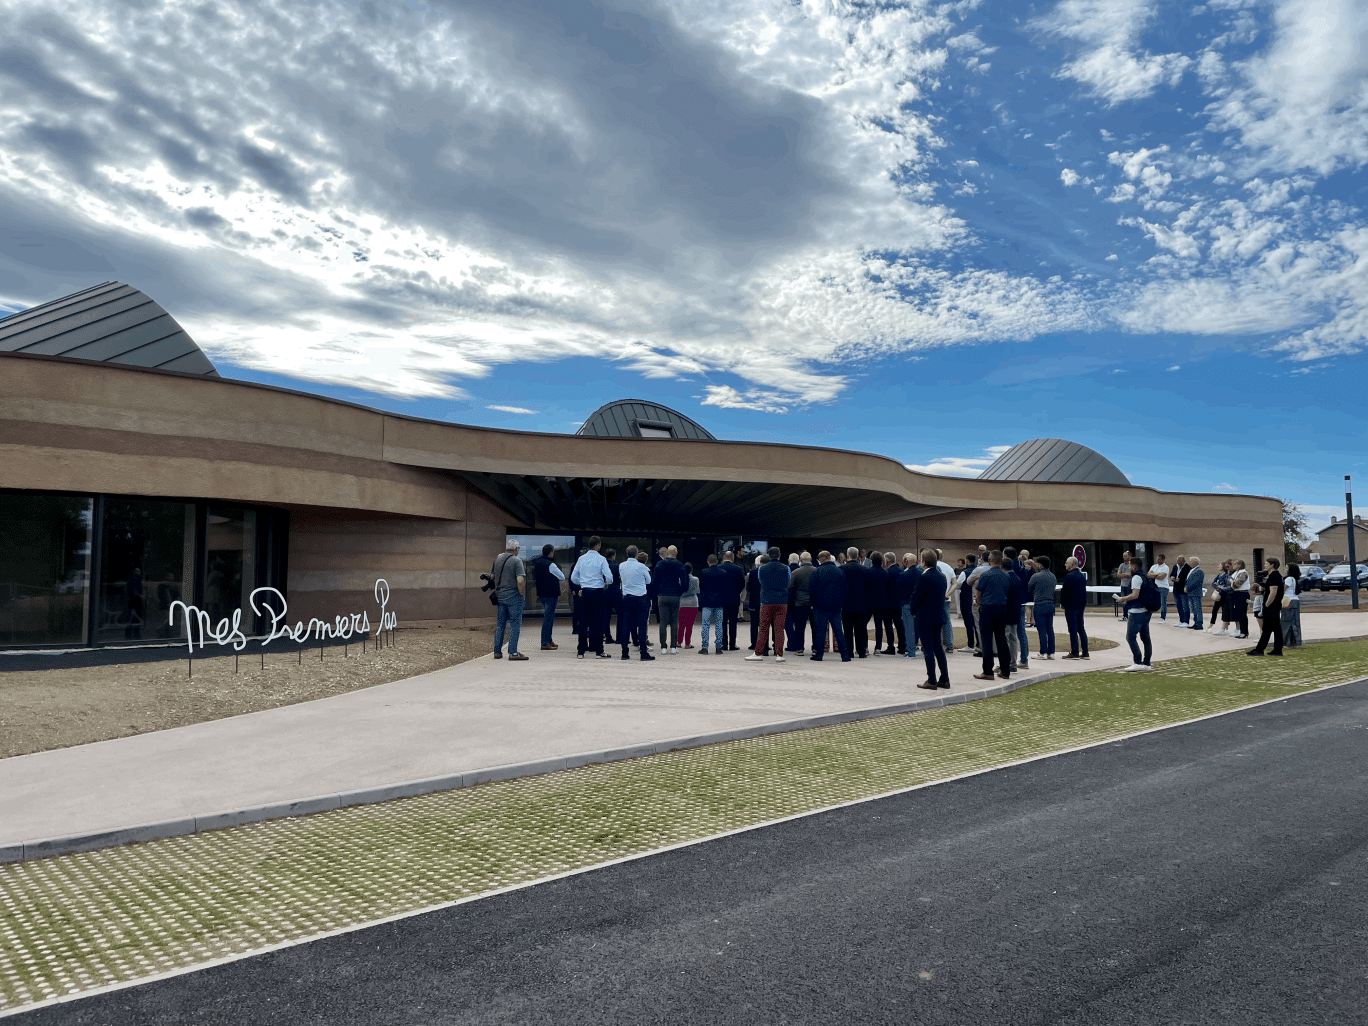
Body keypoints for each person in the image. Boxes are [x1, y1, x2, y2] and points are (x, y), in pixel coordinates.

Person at [911, 548, 950, 689]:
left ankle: (931, 680)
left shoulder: (923, 577)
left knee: (928, 649)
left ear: (924, 561)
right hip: (938, 615)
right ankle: (944, 678)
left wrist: (913, 610)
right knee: (938, 648)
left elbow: (916, 596)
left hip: (925, 616)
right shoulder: (942, 576)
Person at [570, 536, 613, 659]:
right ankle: (599, 651)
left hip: (584, 592)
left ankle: (581, 651)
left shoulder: (581, 559)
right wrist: (605, 584)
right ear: (598, 545)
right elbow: (609, 577)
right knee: (598, 622)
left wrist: (582, 583)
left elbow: (573, 577)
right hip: (597, 592)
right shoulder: (601, 559)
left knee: (583, 621)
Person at [972, 551, 1012, 681]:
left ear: (990, 560)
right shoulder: (1006, 576)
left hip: (987, 608)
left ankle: (988, 671)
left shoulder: (986, 575)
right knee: (1002, 639)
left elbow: (978, 593)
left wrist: (978, 603)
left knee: (987, 640)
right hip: (1001, 608)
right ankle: (1006, 671)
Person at [748, 546, 791, 662]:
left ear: (768, 555)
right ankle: (779, 655)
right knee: (779, 629)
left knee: (763, 628)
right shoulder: (786, 568)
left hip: (766, 601)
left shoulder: (762, 569)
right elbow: (788, 582)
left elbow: (761, 581)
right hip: (782, 601)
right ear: (779, 555)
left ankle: (758, 653)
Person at [1115, 556, 1158, 671]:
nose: (1129, 567)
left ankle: (1138, 662)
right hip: (1146, 610)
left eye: (1130, 565)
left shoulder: (1136, 578)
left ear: (1134, 566)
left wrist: (1122, 598)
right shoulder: (1145, 576)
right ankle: (1147, 663)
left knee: (1130, 637)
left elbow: (1135, 595)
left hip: (1137, 611)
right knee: (1145, 637)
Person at [490, 539, 528, 661]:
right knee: (515, 624)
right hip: (514, 597)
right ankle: (513, 652)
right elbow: (520, 581)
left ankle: (497, 651)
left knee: (500, 624)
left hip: (500, 597)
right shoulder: (516, 561)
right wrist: (522, 595)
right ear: (516, 549)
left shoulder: (497, 560)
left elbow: (492, 577)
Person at [808, 550, 850, 661]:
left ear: (821, 559)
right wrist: (841, 602)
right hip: (836, 606)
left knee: (821, 631)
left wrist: (813, 604)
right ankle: (845, 655)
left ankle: (819, 654)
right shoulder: (839, 571)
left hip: (820, 607)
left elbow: (812, 590)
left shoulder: (817, 572)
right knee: (838, 631)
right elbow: (846, 589)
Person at [618, 545, 654, 661]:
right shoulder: (641, 567)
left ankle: (624, 652)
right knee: (642, 625)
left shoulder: (622, 566)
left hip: (627, 597)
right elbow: (648, 580)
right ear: (637, 554)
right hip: (640, 598)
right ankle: (643, 652)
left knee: (626, 625)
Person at [531, 543, 565, 651]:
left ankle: (549, 640)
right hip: (551, 594)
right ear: (550, 553)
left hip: (541, 593)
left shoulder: (537, 563)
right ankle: (545, 642)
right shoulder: (551, 565)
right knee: (548, 618)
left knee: (548, 617)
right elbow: (562, 576)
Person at [654, 545, 688, 654]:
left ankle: (663, 647)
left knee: (663, 622)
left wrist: (659, 592)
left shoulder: (660, 564)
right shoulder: (680, 565)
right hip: (675, 595)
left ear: (667, 553)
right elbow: (685, 583)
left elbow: (655, 581)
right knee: (674, 621)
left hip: (662, 595)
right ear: (676, 553)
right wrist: (680, 592)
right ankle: (673, 646)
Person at [1248, 557, 1285, 656]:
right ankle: (1277, 650)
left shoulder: (1274, 576)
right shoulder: (1275, 576)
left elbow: (1273, 592)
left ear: (1272, 565)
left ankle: (1259, 649)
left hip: (1272, 607)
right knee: (1276, 629)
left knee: (1267, 628)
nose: (1264, 565)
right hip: (1275, 606)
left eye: (1266, 564)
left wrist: (1266, 604)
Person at [840, 546, 869, 657]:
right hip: (861, 603)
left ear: (847, 555)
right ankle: (861, 651)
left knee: (847, 630)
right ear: (857, 556)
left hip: (846, 603)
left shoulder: (842, 569)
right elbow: (867, 587)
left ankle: (849, 651)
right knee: (860, 628)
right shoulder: (864, 570)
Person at [698, 554, 730, 655]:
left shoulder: (704, 572)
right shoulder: (723, 573)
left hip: (707, 602)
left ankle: (705, 647)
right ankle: (718, 647)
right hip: (719, 602)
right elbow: (726, 587)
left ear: (708, 562)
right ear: (717, 561)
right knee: (719, 625)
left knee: (706, 625)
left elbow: (701, 587)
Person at [1003, 547, 1029, 669]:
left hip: (1011, 602)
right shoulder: (1022, 565)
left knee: (1008, 634)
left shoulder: (1010, 566)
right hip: (1022, 600)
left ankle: (1008, 661)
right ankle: (1024, 660)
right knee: (1021, 632)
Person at [1060, 556, 1089, 659]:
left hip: (1071, 606)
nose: (1065, 564)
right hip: (1080, 605)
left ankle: (1075, 651)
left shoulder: (1070, 576)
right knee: (1081, 628)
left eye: (1067, 563)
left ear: (1072, 564)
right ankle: (1085, 652)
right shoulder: (1081, 576)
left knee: (1072, 629)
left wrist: (1062, 603)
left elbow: (1065, 592)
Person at [1028, 555, 1057, 659]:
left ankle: (1043, 652)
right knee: (1050, 629)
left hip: (1040, 603)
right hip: (1050, 603)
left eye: (1036, 563)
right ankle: (1051, 653)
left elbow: (1029, 588)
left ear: (1040, 565)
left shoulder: (1036, 576)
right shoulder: (1053, 576)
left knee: (1041, 629)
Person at [788, 551, 816, 655]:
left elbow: (790, 588)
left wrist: (795, 598)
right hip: (813, 604)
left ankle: (799, 648)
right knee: (815, 627)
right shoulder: (816, 571)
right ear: (811, 559)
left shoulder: (796, 572)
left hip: (800, 603)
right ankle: (815, 648)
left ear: (801, 560)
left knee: (799, 627)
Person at [866, 553, 893, 655]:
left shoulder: (868, 572)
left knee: (863, 624)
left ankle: (865, 647)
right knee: (878, 626)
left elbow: (866, 587)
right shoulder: (886, 573)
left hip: (869, 602)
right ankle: (878, 648)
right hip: (882, 602)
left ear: (872, 561)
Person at [897, 553, 922, 660]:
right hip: (920, 604)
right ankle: (921, 648)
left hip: (907, 603)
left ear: (906, 562)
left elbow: (898, 589)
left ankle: (911, 652)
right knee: (920, 628)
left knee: (909, 628)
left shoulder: (903, 575)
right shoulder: (921, 573)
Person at [720, 551, 746, 652]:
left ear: (724, 558)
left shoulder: (719, 568)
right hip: (734, 599)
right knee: (733, 622)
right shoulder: (738, 569)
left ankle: (724, 644)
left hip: (722, 599)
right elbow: (742, 584)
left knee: (723, 622)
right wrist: (736, 592)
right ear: (732, 558)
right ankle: (732, 644)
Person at [935, 549, 957, 654]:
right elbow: (955, 583)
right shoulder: (948, 567)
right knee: (947, 621)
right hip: (946, 599)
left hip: (934, 599)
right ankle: (949, 645)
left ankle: (938, 644)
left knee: (936, 622)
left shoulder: (931, 567)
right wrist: (948, 593)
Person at [884, 551, 906, 654]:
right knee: (899, 626)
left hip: (889, 603)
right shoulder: (901, 571)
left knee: (889, 626)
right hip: (899, 602)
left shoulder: (887, 572)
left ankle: (891, 646)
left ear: (887, 561)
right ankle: (902, 646)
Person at [746, 556, 768, 654]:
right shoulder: (769, 572)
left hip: (754, 601)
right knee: (765, 624)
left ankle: (754, 643)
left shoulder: (753, 572)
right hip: (766, 601)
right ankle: (765, 644)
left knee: (754, 624)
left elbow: (749, 588)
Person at [679, 562, 700, 649]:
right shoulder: (695, 579)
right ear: (691, 570)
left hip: (682, 603)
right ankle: (688, 643)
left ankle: (679, 642)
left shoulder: (680, 579)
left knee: (681, 625)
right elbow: (697, 591)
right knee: (689, 625)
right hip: (693, 603)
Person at [1281, 563, 1303, 648]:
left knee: (1286, 622)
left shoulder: (1288, 579)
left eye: (1286, 568)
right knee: (1294, 622)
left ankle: (1286, 642)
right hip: (1295, 601)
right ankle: (1295, 642)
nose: (1285, 569)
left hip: (1288, 601)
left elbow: (1282, 589)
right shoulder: (1294, 579)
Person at [1228, 559, 1251, 638]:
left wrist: (1232, 582)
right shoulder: (1236, 573)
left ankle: (1244, 632)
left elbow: (1236, 584)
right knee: (1238, 613)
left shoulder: (1243, 573)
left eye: (1235, 564)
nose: (1233, 566)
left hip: (1242, 593)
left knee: (1242, 613)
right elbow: (1229, 580)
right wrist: (1231, 582)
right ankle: (1241, 631)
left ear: (1240, 565)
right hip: (1237, 593)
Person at [603, 548, 621, 645]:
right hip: (615, 592)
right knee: (620, 615)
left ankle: (608, 637)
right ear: (613, 556)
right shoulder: (616, 566)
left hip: (605, 592)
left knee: (606, 616)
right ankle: (619, 637)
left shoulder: (603, 565)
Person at [1209, 561, 1232, 634]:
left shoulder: (1226, 575)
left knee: (1224, 611)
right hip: (1219, 593)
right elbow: (1213, 583)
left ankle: (1225, 628)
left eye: (1219, 565)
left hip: (1224, 595)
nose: (1218, 567)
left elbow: (1225, 585)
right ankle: (1211, 624)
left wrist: (1220, 587)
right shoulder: (1219, 575)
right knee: (1215, 609)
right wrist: (1218, 587)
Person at [1148, 553, 1171, 622]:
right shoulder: (1154, 566)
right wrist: (1157, 574)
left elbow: (1162, 577)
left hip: (1163, 587)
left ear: (1163, 559)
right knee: (1151, 602)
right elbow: (1149, 574)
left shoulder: (1165, 567)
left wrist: (1154, 575)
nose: (1157, 560)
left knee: (1163, 603)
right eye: (1157, 559)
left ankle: (1162, 618)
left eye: (1159, 559)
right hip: (1154, 587)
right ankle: (1148, 617)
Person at [1184, 557, 1205, 631]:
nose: (1189, 563)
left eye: (1190, 561)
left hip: (1195, 593)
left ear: (1195, 562)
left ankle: (1199, 624)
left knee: (1197, 608)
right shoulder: (1193, 570)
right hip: (1191, 593)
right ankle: (1196, 623)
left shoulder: (1199, 571)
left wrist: (1187, 588)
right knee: (1193, 609)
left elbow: (1195, 582)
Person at [1171, 556, 1191, 626]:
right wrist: (1172, 577)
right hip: (1176, 589)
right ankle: (1181, 620)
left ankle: (1186, 621)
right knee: (1178, 606)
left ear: (1184, 561)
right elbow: (1172, 574)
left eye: (1180, 562)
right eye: (1178, 561)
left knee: (1185, 606)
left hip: (1183, 589)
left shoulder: (1188, 568)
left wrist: (1180, 580)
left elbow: (1188, 579)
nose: (1179, 563)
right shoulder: (1175, 566)